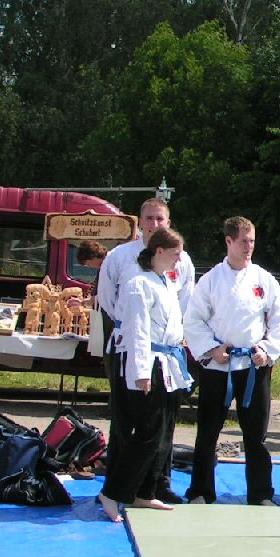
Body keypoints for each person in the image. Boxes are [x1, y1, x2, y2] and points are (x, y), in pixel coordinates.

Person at [183, 217, 280, 506]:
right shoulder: (211, 280)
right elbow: (193, 320)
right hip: (219, 365)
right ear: (229, 241)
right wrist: (211, 349)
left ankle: (260, 493)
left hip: (253, 365)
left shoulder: (264, 279)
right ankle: (201, 491)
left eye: (252, 241)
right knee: (208, 431)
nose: (249, 246)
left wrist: (267, 349)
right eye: (244, 241)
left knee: (256, 435)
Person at [96, 198, 195, 504]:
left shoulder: (170, 273)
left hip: (166, 355)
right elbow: (113, 307)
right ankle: (115, 490)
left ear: (168, 222)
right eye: (149, 218)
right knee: (134, 428)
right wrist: (140, 370)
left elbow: (183, 305)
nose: (154, 224)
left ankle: (150, 488)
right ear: (140, 222)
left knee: (161, 429)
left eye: (160, 219)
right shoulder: (125, 265)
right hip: (136, 352)